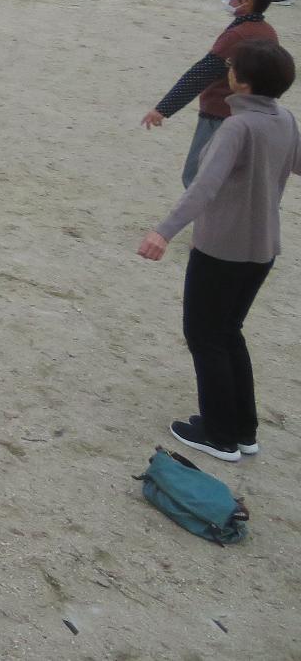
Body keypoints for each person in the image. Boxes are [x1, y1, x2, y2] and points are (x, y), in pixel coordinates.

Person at [137, 40, 299, 462]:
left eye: (232, 67)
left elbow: (203, 188)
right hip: (262, 249)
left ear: (241, 82)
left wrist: (163, 231)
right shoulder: (284, 119)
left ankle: (219, 432)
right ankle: (243, 429)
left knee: (205, 334)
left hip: (222, 249)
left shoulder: (237, 128)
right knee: (228, 333)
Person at [142, 0, 279, 186]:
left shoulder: (238, 36)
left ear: (246, 1)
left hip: (219, 113)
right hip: (251, 113)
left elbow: (201, 74)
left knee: (196, 176)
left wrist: (163, 109)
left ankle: (210, 220)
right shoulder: (268, 31)